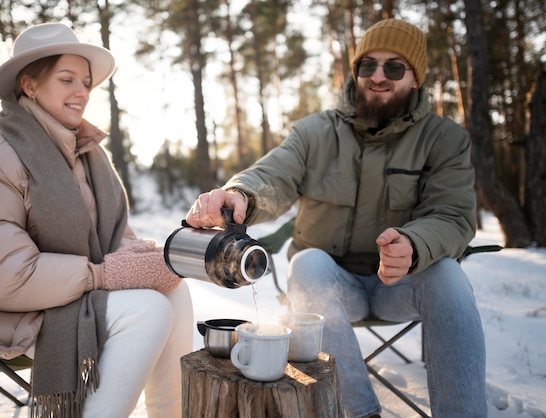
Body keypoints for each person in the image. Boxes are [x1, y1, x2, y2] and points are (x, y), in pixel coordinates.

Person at [186, 18, 486, 418]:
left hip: (401, 284)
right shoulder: (315, 133)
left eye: (393, 67)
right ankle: (359, 413)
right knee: (307, 261)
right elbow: (273, 175)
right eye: (367, 66)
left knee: (448, 273)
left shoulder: (444, 139)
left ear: (415, 79)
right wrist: (240, 194)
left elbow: (453, 215)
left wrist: (416, 244)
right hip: (330, 289)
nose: (378, 77)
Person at [0, 23, 193, 418]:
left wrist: (152, 261)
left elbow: (118, 241)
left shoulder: (88, 157)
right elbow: (0, 276)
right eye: (67, 79)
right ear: (29, 85)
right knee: (147, 310)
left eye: (85, 82)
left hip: (63, 291)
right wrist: (103, 275)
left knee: (173, 291)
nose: (82, 92)